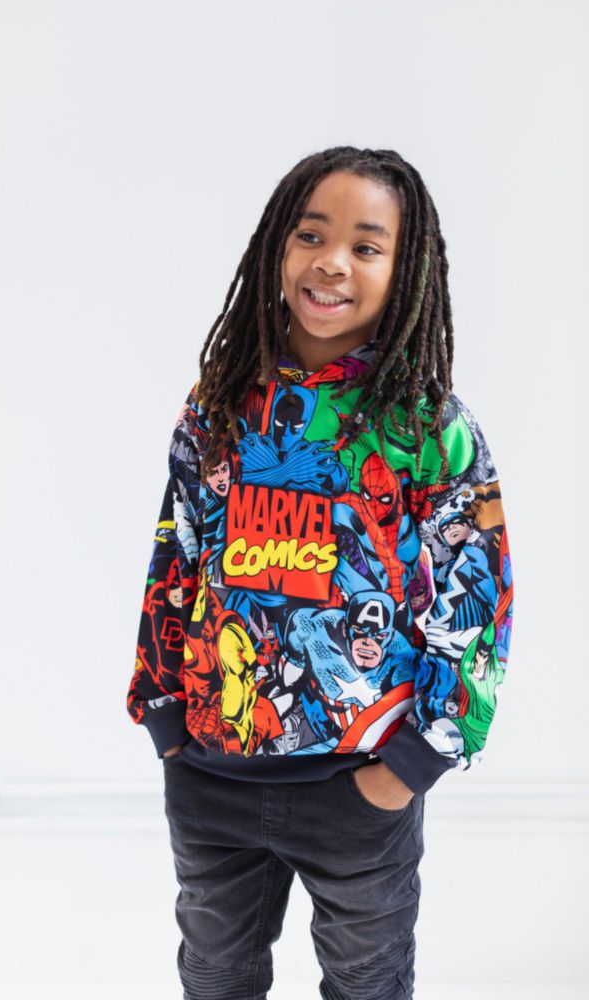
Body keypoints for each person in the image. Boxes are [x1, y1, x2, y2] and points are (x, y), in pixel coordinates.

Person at [126, 146, 515, 1000]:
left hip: (360, 779)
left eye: (365, 246)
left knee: (365, 980)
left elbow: (477, 597)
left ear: (406, 271)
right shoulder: (219, 403)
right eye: (310, 235)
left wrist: (415, 761)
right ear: (276, 247)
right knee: (214, 974)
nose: (331, 261)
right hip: (212, 769)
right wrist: (162, 713)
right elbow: (175, 553)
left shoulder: (428, 427)